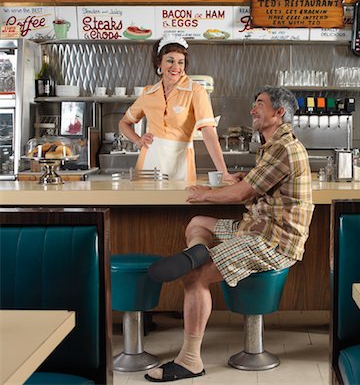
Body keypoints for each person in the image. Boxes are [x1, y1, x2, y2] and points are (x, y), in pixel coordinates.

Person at [146, 86, 315, 382]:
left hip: (272, 241)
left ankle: (189, 361)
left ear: (279, 113)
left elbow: (244, 193)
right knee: (198, 223)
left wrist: (207, 194)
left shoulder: (283, 147)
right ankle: (196, 251)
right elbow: (256, 186)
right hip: (256, 228)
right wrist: (238, 183)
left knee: (195, 277)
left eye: (259, 104)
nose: (253, 109)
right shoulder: (272, 145)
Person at [119, 34, 234, 182]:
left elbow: (209, 132)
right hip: (148, 163)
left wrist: (223, 172)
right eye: (170, 61)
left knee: (179, 203)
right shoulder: (149, 92)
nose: (176, 67)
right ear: (159, 63)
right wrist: (138, 140)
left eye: (181, 62)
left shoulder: (196, 91)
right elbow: (123, 123)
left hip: (180, 164)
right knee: (146, 204)